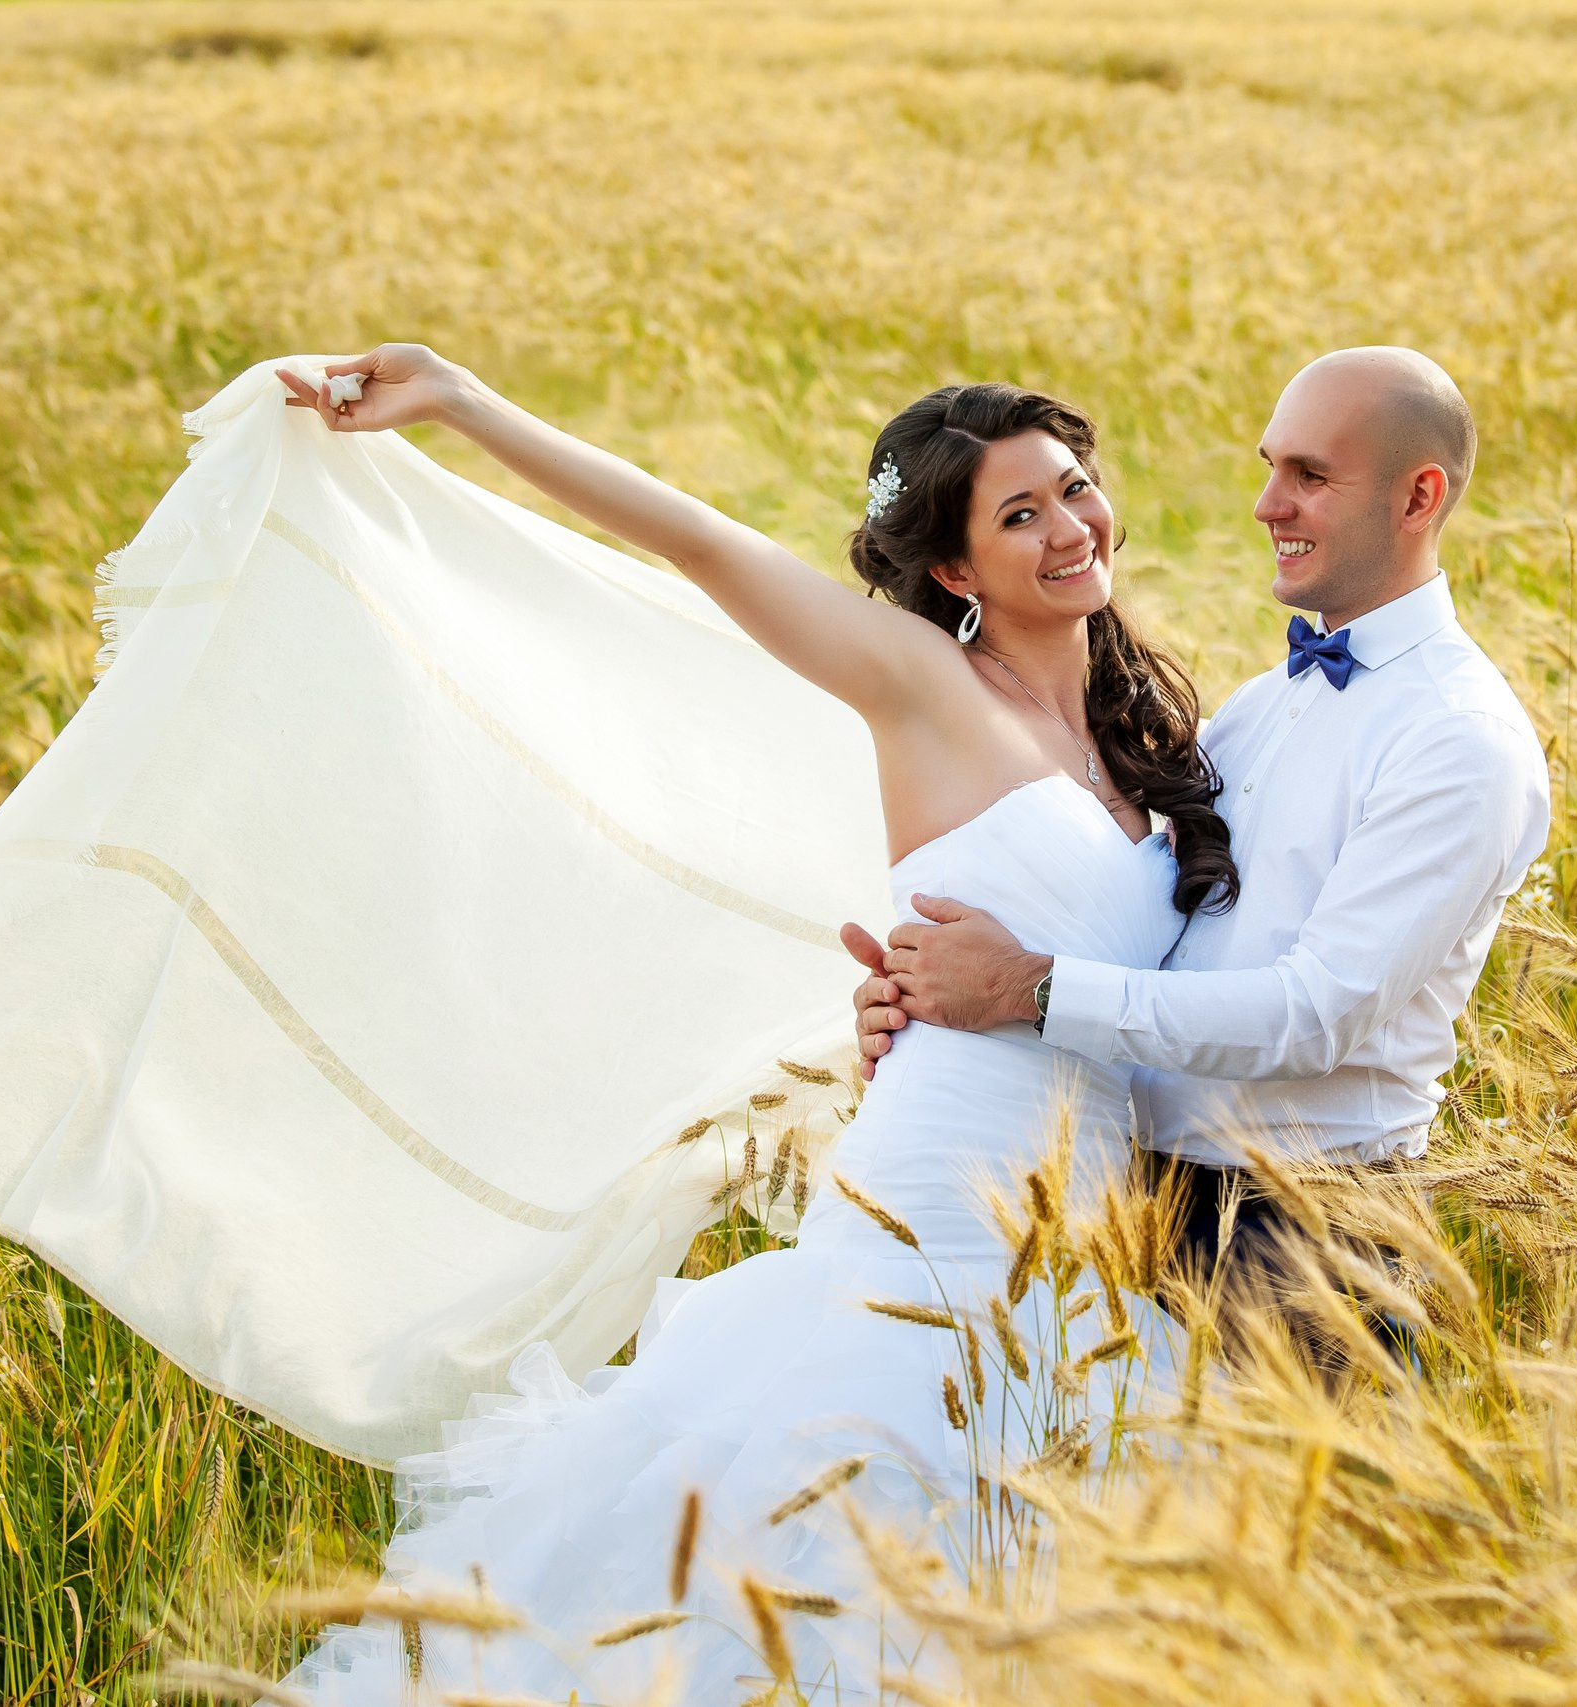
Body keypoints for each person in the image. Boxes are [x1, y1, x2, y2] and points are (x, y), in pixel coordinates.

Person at [265, 348, 1232, 1703]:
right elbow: (701, 542)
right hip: (939, 1214)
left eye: (1074, 490)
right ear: (953, 573)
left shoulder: (1146, 745)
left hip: (1091, 1252)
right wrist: (461, 399)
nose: (1070, 528)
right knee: (835, 1591)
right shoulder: (924, 682)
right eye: (1019, 516)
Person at [847, 349, 1551, 1333]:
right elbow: (1137, 922)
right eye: (1269, 466)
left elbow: (1315, 1017)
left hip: (1304, 1238)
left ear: (1417, 496)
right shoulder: (1259, 711)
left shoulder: (1456, 739)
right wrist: (926, 1002)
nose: (1267, 504)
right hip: (1128, 1203)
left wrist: (1027, 988)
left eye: (1309, 475)